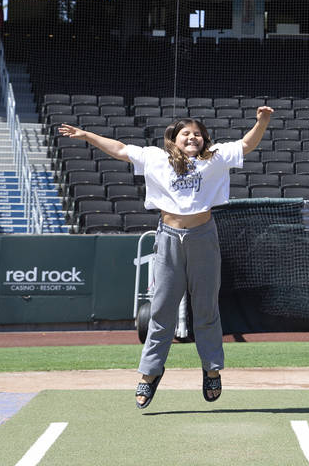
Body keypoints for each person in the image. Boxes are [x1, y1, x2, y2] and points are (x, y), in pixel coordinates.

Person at [58, 106, 273, 410]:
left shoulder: (215, 157)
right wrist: (86, 135)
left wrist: (261, 121)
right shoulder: (155, 158)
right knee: (161, 310)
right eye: (186, 133)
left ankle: (211, 369)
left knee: (206, 308)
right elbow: (119, 149)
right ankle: (150, 373)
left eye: (197, 133)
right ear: (172, 138)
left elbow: (248, 144)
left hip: (203, 236)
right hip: (169, 236)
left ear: (205, 139)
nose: (193, 137)